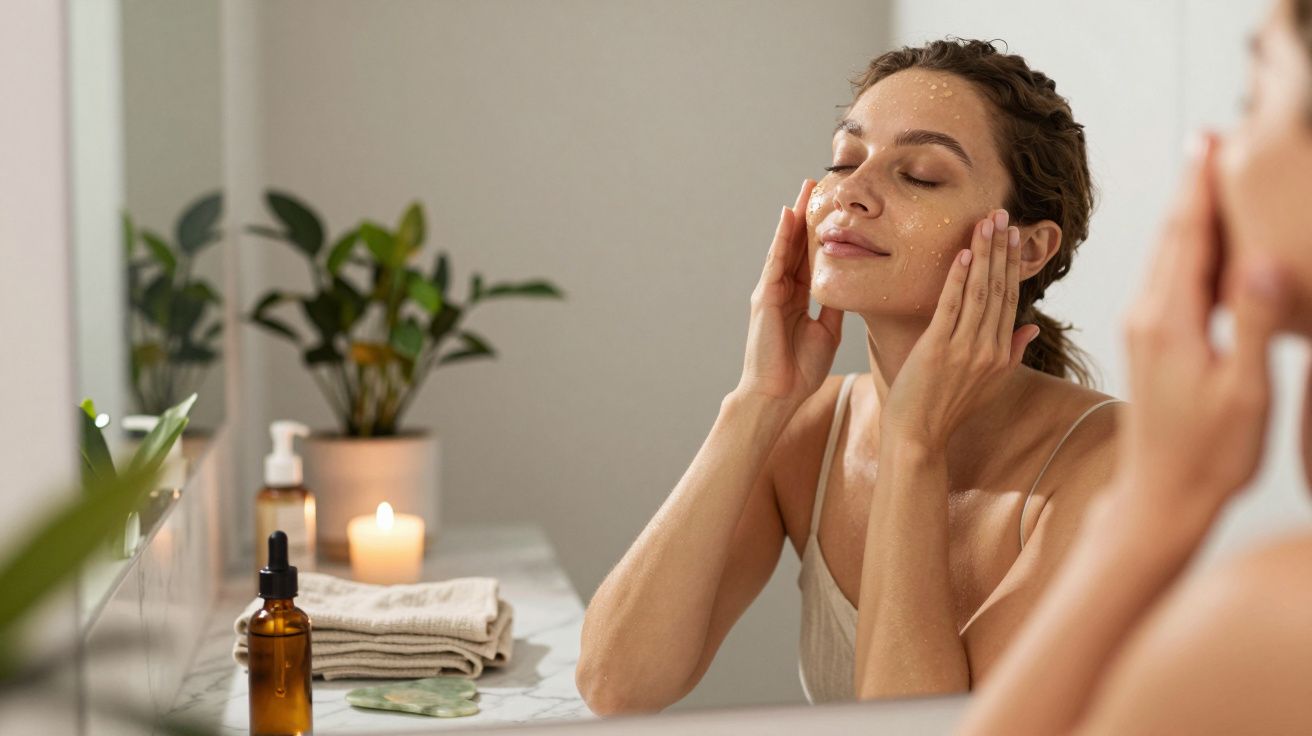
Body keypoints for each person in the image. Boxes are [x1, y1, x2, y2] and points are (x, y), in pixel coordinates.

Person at [577, 38, 1123, 713]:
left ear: (1029, 247)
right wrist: (756, 402)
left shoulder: (1109, 463)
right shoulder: (808, 434)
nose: (851, 193)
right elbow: (616, 685)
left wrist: (914, 443)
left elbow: (914, 730)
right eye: (844, 159)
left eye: (919, 174)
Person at [960, 1, 1312, 733]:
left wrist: (1155, 506)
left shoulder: (1274, 628)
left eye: (1255, 100)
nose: (1215, 145)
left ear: (1032, 246)